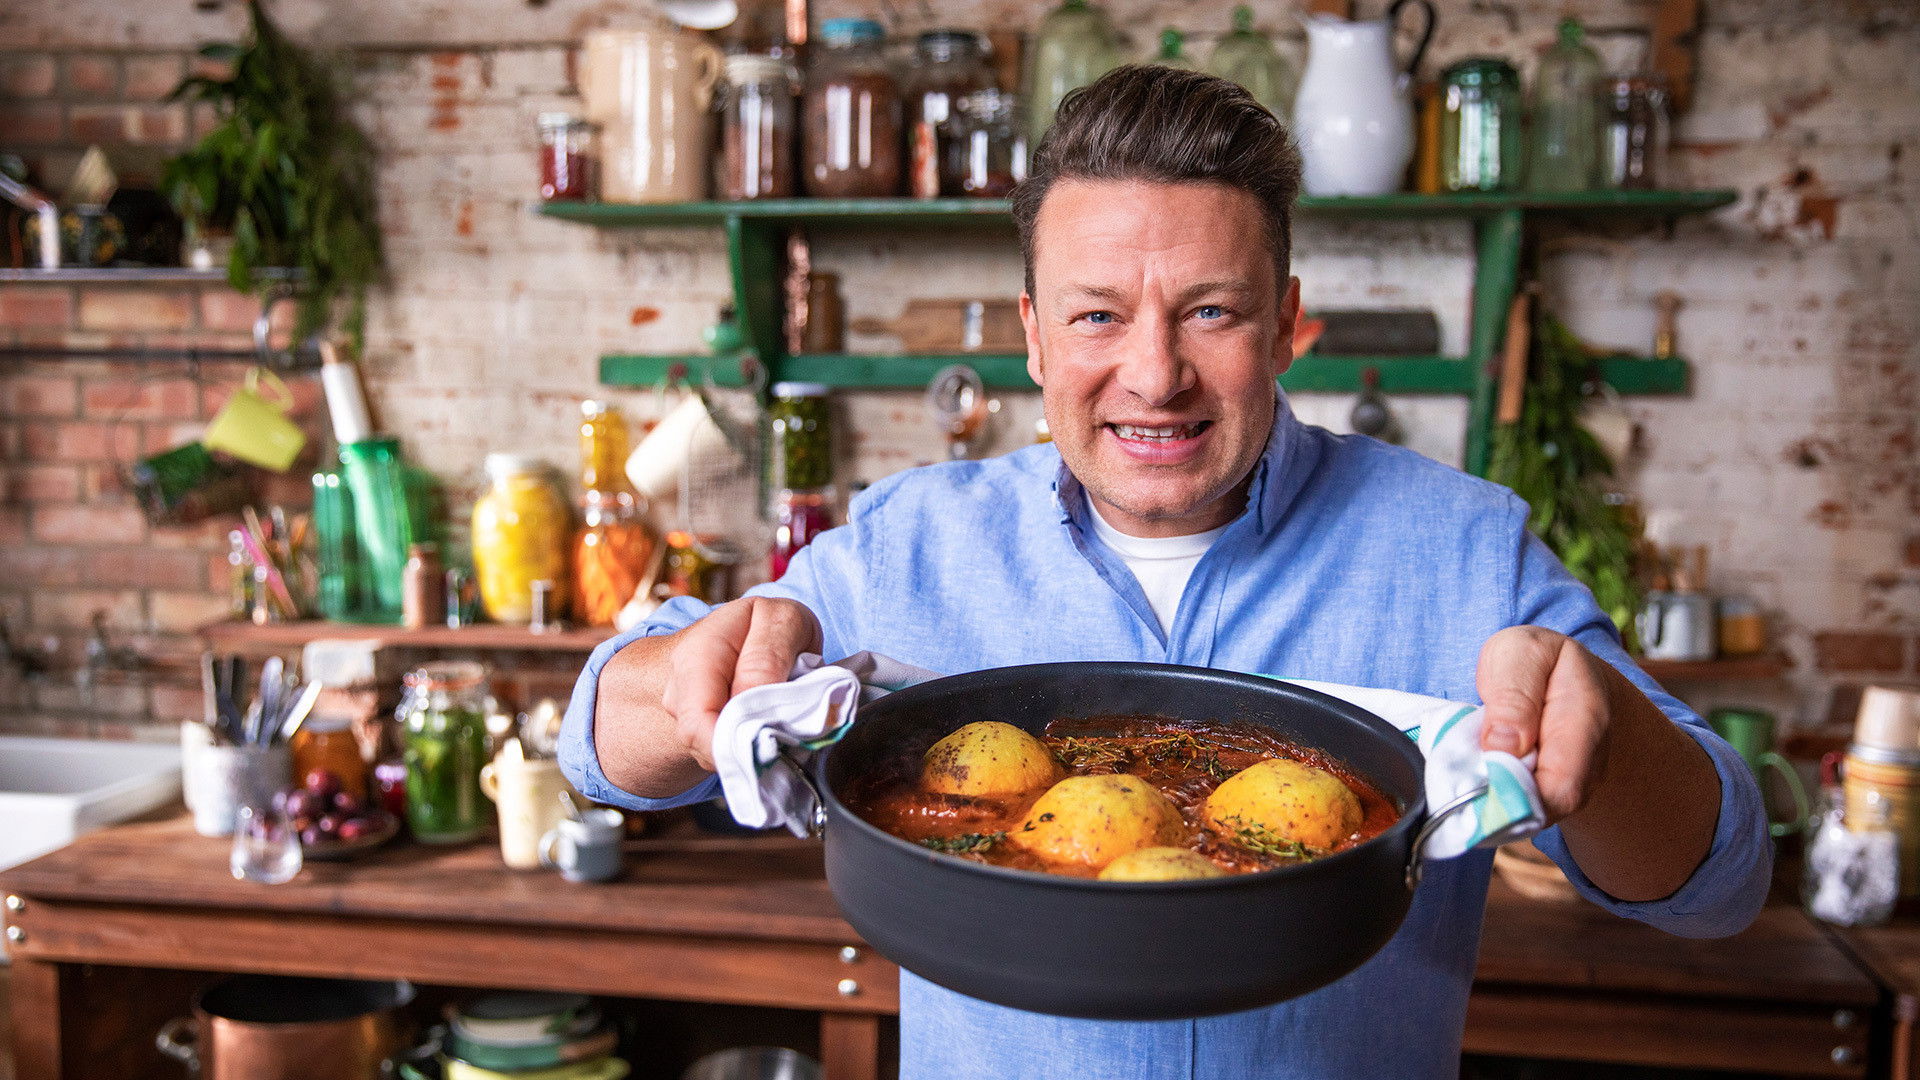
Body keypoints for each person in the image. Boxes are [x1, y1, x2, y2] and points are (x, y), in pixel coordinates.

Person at [561, 66, 1770, 1079]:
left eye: (1210, 313)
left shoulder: (1464, 548)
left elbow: (1720, 885)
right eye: (1096, 318)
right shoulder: (904, 542)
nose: (1153, 374)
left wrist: (1598, 748)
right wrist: (692, 678)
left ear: (1287, 322)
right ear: (1032, 333)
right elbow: (592, 737)